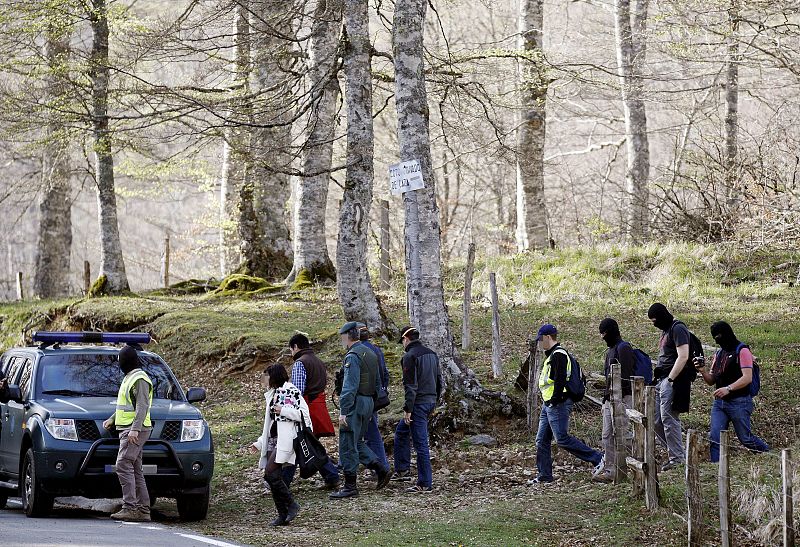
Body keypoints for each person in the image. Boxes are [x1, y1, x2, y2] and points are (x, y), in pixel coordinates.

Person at [532, 324, 602, 484]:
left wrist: (554, 401)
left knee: (562, 438)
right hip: (549, 404)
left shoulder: (558, 355)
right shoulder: (552, 355)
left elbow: (560, 380)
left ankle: (598, 458)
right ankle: (544, 476)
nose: (540, 343)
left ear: (548, 337)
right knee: (541, 440)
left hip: (556, 403)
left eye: (541, 340)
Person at [329, 321, 390, 499]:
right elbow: (378, 382)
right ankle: (380, 468)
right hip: (368, 402)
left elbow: (349, 386)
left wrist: (344, 411)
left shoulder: (353, 356)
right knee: (357, 442)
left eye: (343, 337)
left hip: (355, 403)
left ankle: (350, 486)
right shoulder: (370, 353)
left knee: (348, 442)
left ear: (347, 336)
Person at [696, 321, 769, 462]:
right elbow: (711, 380)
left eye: (719, 335)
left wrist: (728, 389)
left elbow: (747, 378)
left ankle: (768, 454)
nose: (717, 339)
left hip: (739, 402)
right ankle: (717, 467)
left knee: (745, 438)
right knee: (715, 438)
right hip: (720, 404)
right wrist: (702, 370)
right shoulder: (719, 354)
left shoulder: (742, 351)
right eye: (714, 337)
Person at [249, 363, 309, 526]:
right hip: (273, 440)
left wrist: (283, 410)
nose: (264, 379)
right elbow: (270, 424)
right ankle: (282, 514)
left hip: (287, 439)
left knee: (270, 472)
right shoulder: (272, 394)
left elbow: (304, 415)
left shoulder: (291, 390)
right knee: (272, 476)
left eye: (266, 375)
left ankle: (292, 505)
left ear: (274, 376)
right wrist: (260, 443)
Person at [102, 346, 154, 522]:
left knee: (123, 464)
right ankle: (143, 509)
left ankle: (130, 507)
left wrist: (135, 429)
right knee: (135, 469)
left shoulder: (139, 379)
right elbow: (128, 405)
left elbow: (142, 406)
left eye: (120, 360)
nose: (119, 363)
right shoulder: (130, 378)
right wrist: (112, 419)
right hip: (128, 429)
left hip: (134, 431)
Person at [286, 333, 340, 489]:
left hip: (307, 410)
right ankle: (331, 476)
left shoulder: (300, 363)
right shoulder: (318, 361)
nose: (291, 353)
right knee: (310, 445)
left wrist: (288, 410)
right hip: (318, 408)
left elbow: (297, 392)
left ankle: (282, 482)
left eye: (291, 349)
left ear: (295, 347)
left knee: (299, 444)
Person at [392, 326, 442, 492]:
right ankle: (402, 469)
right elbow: (439, 380)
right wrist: (435, 401)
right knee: (401, 432)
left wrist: (408, 409)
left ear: (406, 339)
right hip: (429, 402)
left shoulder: (409, 357)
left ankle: (424, 483)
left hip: (417, 405)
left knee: (421, 444)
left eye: (402, 341)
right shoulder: (432, 354)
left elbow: (410, 386)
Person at [647, 303, 690, 471]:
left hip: (672, 381)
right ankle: (674, 453)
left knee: (669, 419)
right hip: (661, 379)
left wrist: (670, 379)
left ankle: (678, 458)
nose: (654, 324)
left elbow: (683, 356)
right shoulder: (665, 331)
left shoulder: (677, 328)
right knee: (656, 420)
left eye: (655, 320)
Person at [593, 318, 635, 483]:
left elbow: (626, 376)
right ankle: (611, 471)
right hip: (609, 399)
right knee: (607, 435)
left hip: (623, 398)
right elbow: (608, 378)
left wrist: (619, 398)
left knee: (623, 434)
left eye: (605, 333)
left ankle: (629, 468)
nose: (603, 337)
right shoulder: (610, 351)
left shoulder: (624, 348)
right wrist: (606, 400)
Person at [358, 324, 390, 474]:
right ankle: (376, 466)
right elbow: (385, 374)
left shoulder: (359, 351)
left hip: (365, 398)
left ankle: (381, 467)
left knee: (371, 433)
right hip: (375, 398)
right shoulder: (376, 350)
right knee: (369, 432)